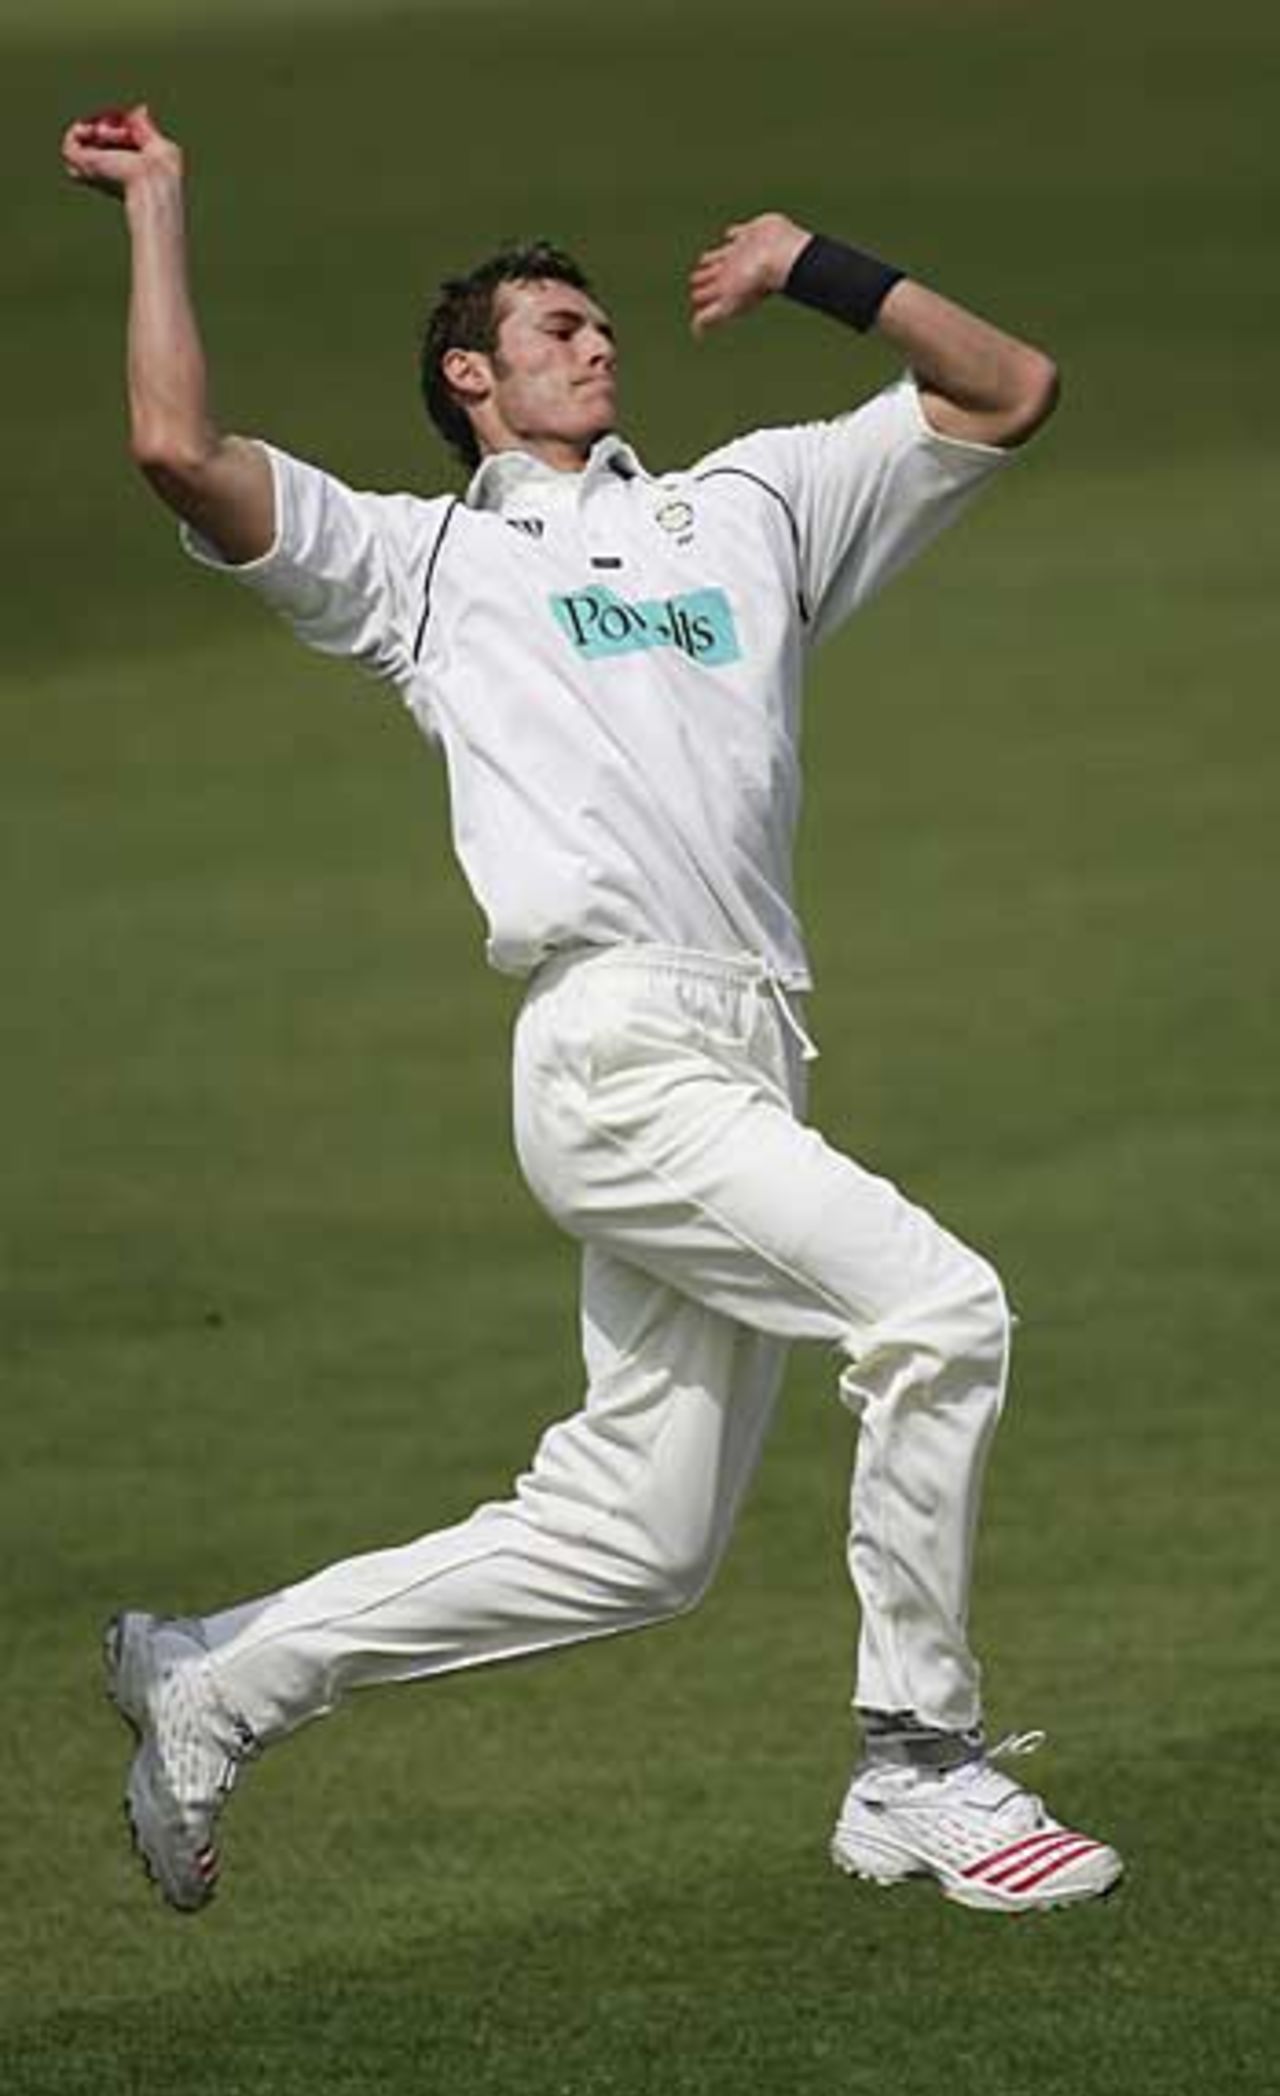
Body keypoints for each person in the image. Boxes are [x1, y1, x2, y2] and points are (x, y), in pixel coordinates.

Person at [64, 102, 1122, 1919]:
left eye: (605, 321)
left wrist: (817, 270)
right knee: (939, 1312)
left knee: (637, 1539)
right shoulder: (422, 564)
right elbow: (178, 450)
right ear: (470, 377)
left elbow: (1006, 387)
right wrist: (158, 206)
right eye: (555, 325)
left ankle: (218, 1675)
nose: (599, 340)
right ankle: (916, 1763)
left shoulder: (750, 507)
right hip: (617, 1050)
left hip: (751, 1050)